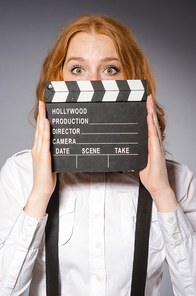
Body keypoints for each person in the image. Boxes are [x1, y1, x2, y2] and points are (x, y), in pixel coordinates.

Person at [0, 14, 196, 296]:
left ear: (133, 80)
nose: (93, 85)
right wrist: (39, 195)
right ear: (57, 79)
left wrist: (162, 192)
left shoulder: (177, 180)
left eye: (111, 69)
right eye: (77, 69)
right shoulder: (18, 175)